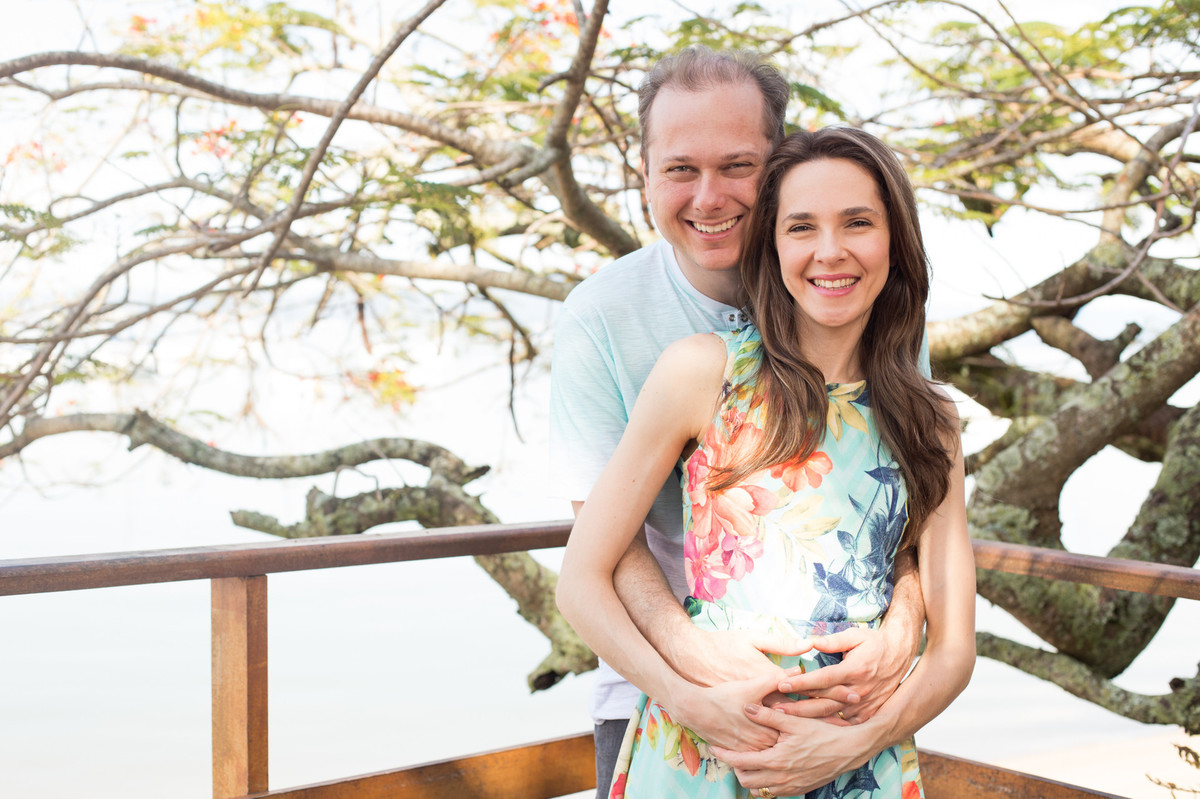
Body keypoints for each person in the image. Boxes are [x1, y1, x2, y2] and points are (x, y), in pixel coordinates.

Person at [549, 47, 942, 797]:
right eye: (680, 169)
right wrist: (693, 659)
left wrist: (903, 628)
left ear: (780, 165)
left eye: (738, 166)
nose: (709, 196)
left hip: (843, 699)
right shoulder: (601, 317)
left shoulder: (866, 305)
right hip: (659, 687)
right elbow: (603, 545)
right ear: (644, 175)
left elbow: (902, 502)